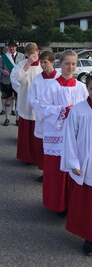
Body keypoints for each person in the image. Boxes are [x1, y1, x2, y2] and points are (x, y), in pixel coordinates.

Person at [38, 50, 88, 213]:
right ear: (60, 64)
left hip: (76, 136)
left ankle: (73, 206)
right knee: (57, 172)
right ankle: (57, 204)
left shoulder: (82, 88)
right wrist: (64, 110)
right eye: (67, 63)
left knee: (74, 170)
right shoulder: (51, 86)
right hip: (56, 135)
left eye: (73, 63)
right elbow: (42, 109)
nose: (71, 67)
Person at [60, 75, 92, 256]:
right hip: (86, 164)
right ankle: (90, 237)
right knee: (88, 205)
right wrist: (72, 162)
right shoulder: (78, 111)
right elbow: (70, 139)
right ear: (87, 89)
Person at [28, 51, 60, 180]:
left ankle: (56, 172)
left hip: (56, 119)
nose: (42, 65)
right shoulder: (37, 79)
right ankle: (45, 171)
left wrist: (52, 111)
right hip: (41, 118)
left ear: (52, 62)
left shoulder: (59, 78)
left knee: (56, 146)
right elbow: (32, 99)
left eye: (45, 62)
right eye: (41, 62)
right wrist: (42, 109)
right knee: (43, 146)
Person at [10, 43, 42, 164]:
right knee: (27, 132)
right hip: (26, 102)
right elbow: (17, 79)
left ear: (38, 52)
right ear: (26, 54)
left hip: (40, 103)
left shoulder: (43, 65)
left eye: (34, 54)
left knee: (38, 132)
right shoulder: (21, 64)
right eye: (29, 54)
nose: (33, 56)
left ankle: (38, 158)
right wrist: (28, 64)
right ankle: (26, 157)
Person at [0, 41, 25, 126]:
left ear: (16, 47)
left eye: (13, 47)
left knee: (18, 100)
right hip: (7, 80)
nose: (12, 48)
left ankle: (17, 119)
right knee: (7, 99)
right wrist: (2, 71)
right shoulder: (4, 57)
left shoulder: (22, 56)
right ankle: (7, 118)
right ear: (8, 47)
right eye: (10, 47)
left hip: (18, 81)